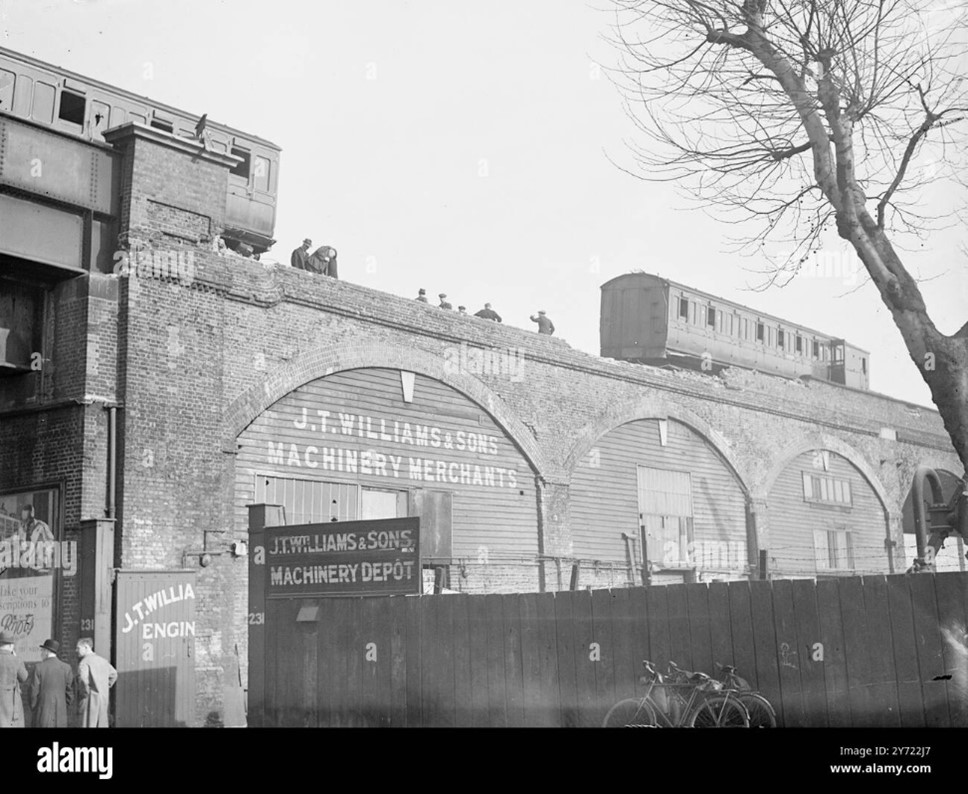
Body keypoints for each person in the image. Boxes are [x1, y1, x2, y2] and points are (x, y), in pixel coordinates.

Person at [31, 639, 74, 728]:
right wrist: (63, 706)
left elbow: (33, 692)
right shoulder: (66, 668)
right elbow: (69, 693)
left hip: (42, 712)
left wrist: (34, 708)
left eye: (42, 651)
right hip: (61, 712)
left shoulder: (38, 667)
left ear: (46, 652)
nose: (41, 653)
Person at [76, 638, 117, 728]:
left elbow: (83, 680)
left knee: (88, 724)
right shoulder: (103, 661)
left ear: (86, 647)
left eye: (78, 648)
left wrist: (85, 694)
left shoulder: (84, 662)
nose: (77, 651)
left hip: (89, 700)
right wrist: (104, 687)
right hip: (103, 700)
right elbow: (114, 674)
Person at [0, 630, 28, 728]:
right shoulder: (16, 660)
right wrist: (16, 657)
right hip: (11, 704)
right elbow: (24, 677)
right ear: (11, 646)